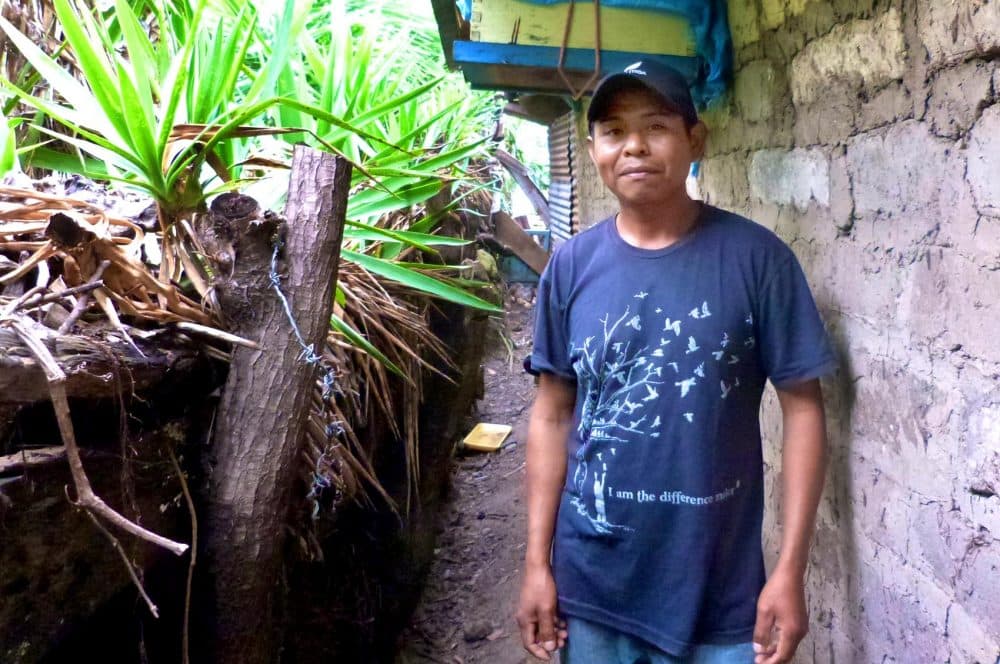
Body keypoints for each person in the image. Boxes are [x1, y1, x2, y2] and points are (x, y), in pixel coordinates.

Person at [516, 59, 835, 664]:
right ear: (593, 150)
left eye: (656, 126)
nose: (633, 146)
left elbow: (802, 409)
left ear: (695, 140)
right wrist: (536, 562)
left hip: (718, 592)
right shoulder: (571, 267)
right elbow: (553, 415)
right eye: (613, 131)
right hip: (593, 588)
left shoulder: (757, 261)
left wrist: (791, 570)